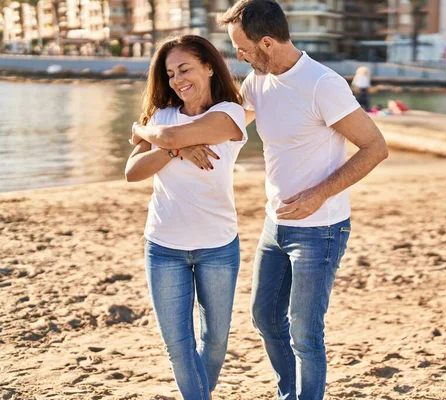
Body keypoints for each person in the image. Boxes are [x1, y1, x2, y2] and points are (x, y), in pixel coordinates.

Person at [135, 1, 388, 397]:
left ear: (266, 42)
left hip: (320, 228)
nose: (238, 56)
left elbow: (375, 147)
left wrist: (320, 194)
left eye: (243, 47)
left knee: (305, 331)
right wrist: (179, 144)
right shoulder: (258, 83)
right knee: (265, 319)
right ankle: (290, 392)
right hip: (276, 225)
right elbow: (223, 125)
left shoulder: (323, 84)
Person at [124, 35, 247, 400]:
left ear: (209, 67)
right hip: (164, 246)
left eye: (185, 69)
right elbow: (132, 171)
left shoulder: (229, 115)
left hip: (218, 247)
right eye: (171, 73)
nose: (178, 79)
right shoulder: (162, 113)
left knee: (216, 339)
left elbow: (167, 134)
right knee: (178, 345)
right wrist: (176, 149)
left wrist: (147, 133)